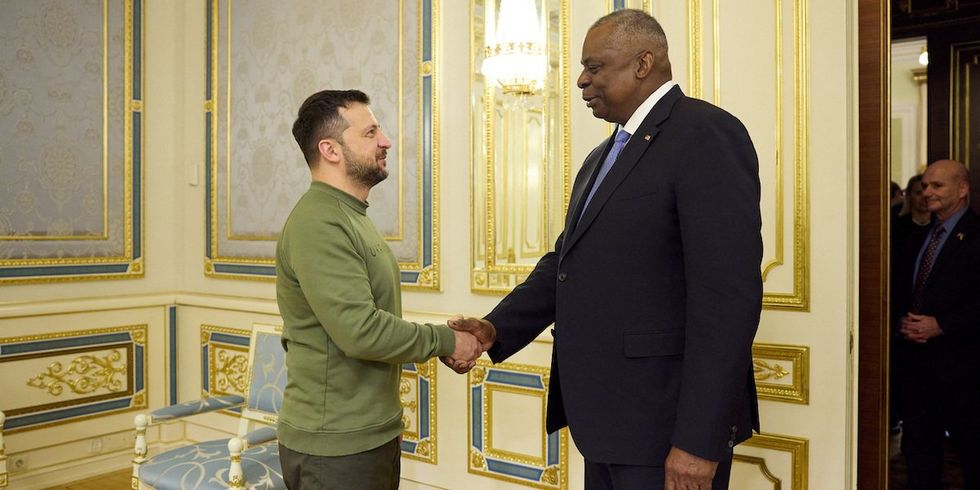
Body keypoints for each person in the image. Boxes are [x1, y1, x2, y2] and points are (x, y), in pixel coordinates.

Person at [447, 9, 762, 490]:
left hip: (667, 427)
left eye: (595, 68)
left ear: (643, 63)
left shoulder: (704, 134)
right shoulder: (602, 157)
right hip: (607, 425)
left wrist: (700, 440)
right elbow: (566, 263)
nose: (580, 81)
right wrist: (496, 328)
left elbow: (728, 299)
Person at [275, 89, 486, 490]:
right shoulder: (318, 223)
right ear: (331, 150)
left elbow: (372, 322)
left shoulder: (351, 215)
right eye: (370, 132)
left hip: (367, 434)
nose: (386, 140)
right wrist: (446, 341)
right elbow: (361, 331)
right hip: (335, 445)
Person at [893, 159, 980, 489]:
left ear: (962, 189)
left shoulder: (975, 236)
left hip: (963, 372)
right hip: (916, 371)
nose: (927, 192)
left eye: (937, 186)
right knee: (919, 457)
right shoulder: (916, 238)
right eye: (925, 186)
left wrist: (942, 324)